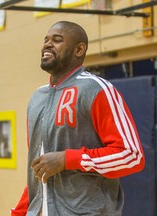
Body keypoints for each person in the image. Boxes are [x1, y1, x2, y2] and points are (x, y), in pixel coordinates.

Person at [11, 21, 145, 216]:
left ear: (79, 49)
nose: (47, 44)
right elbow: (39, 169)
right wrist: (20, 212)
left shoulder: (96, 89)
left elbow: (132, 156)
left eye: (57, 40)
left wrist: (68, 159)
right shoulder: (36, 98)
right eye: (46, 40)